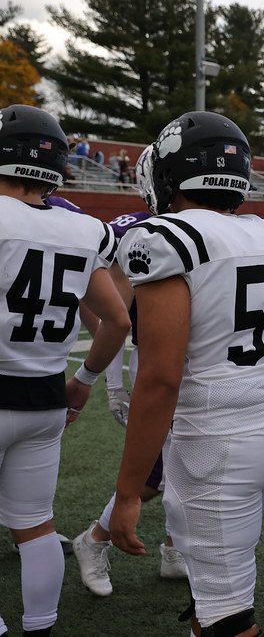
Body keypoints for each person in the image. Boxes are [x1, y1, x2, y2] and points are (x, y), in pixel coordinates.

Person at [108, 111, 264, 637]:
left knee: (228, 618)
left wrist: (127, 494)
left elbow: (161, 377)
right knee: (213, 590)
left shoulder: (165, 237)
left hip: (220, 439)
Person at [0, 104, 131, 637]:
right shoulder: (84, 229)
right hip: (47, 398)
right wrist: (85, 381)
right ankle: (40, 626)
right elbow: (118, 320)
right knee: (35, 526)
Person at [71, 144, 190, 598]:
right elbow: (112, 316)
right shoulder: (137, 233)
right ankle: (96, 539)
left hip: (195, 360)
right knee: (161, 467)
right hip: (153, 357)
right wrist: (114, 385)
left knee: (184, 463)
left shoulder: (200, 227)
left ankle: (175, 547)